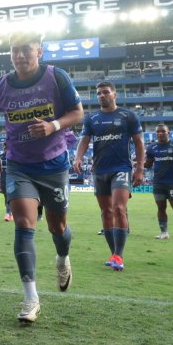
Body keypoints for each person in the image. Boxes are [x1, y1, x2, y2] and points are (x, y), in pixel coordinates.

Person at [0, 32, 83, 323]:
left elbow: (77, 113)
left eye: (26, 50)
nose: (20, 56)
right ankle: (30, 298)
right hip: (19, 165)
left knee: (57, 226)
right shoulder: (0, 86)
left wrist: (53, 125)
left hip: (54, 165)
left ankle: (63, 258)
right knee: (24, 224)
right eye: (15, 50)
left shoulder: (57, 77)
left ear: (39, 51)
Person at [72, 81, 144, 271]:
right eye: (98, 93)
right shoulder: (92, 118)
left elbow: (139, 143)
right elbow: (85, 140)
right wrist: (78, 158)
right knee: (106, 212)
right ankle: (114, 253)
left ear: (114, 95)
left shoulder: (128, 116)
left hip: (121, 168)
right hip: (100, 171)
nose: (102, 96)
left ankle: (119, 256)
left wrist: (140, 169)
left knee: (119, 208)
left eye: (105, 92)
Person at [144, 124, 173, 239]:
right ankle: (164, 233)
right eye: (158, 132)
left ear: (168, 133)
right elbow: (148, 164)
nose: (160, 133)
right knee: (161, 207)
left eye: (163, 131)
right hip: (158, 183)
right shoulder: (152, 148)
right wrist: (138, 164)